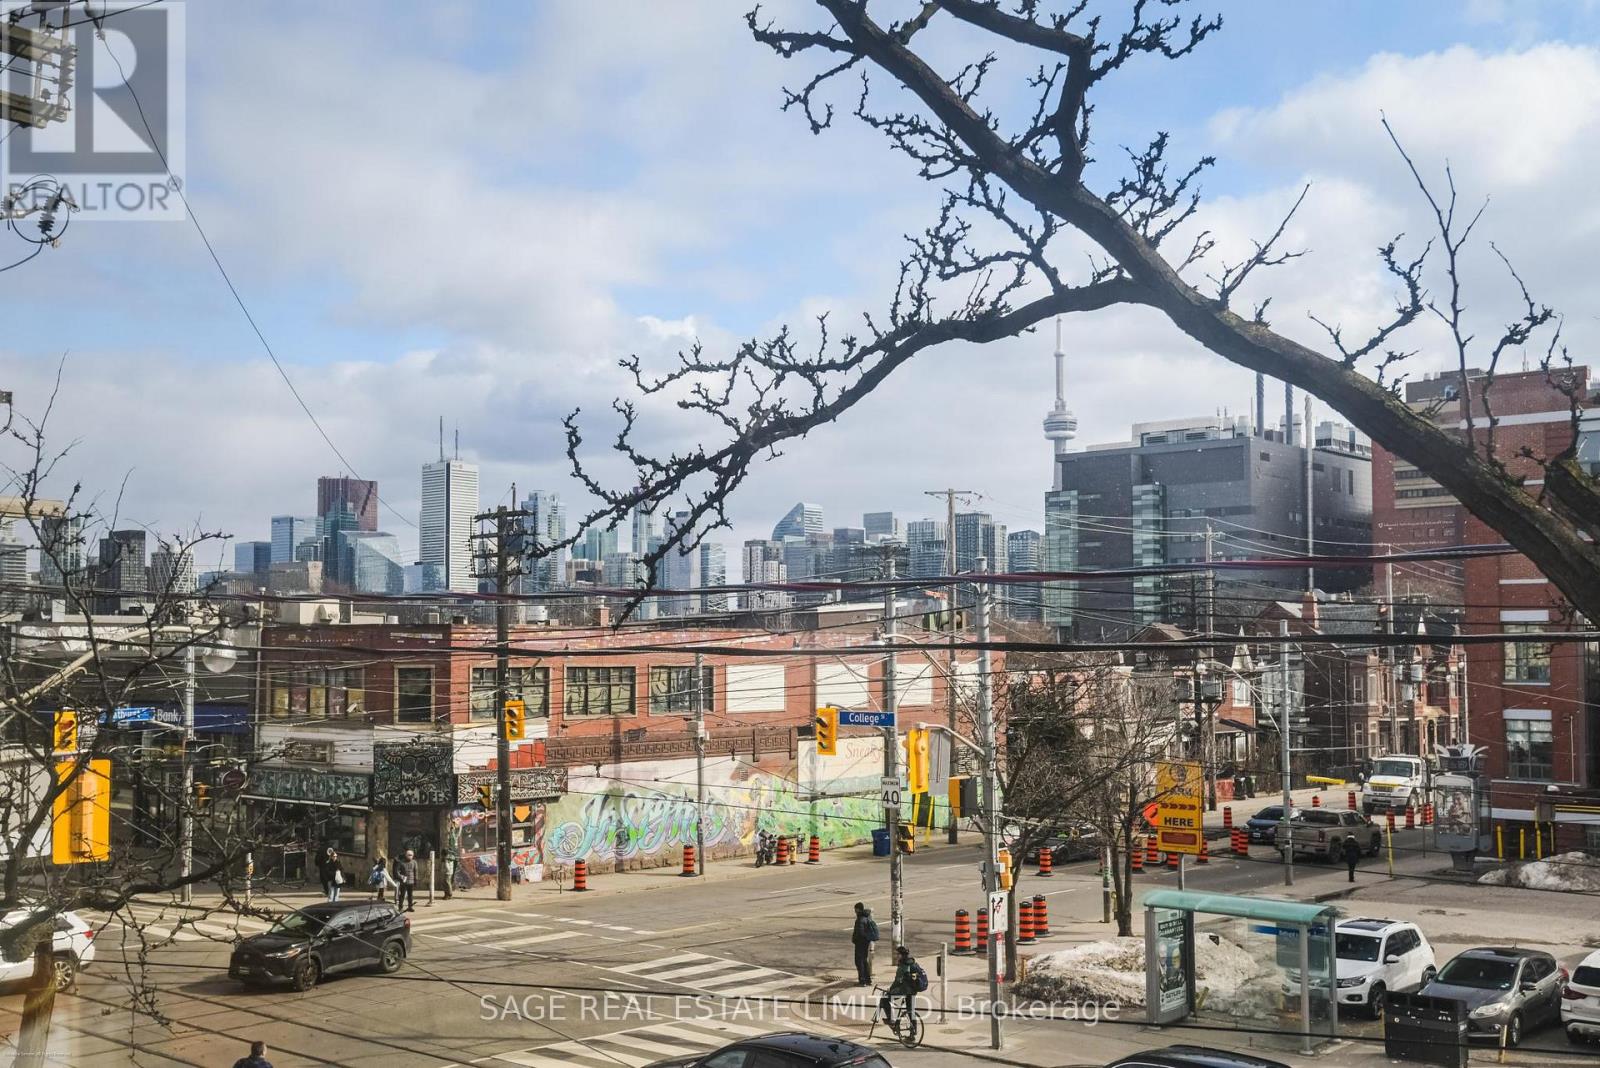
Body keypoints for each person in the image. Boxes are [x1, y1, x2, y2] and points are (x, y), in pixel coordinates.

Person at [879, 946, 920, 1026]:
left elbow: (898, 981)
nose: (896, 956)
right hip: (913, 989)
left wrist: (891, 989)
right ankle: (914, 1031)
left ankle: (891, 1020)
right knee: (910, 1010)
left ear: (902, 955)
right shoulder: (911, 962)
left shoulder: (903, 965)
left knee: (884, 999)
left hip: (905, 989)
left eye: (898, 954)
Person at [850, 901, 879, 986]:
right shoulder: (866, 917)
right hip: (865, 942)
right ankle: (867, 980)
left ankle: (862, 981)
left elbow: (860, 932)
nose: (855, 911)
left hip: (860, 943)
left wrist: (855, 940)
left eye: (855, 909)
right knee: (864, 961)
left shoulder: (860, 919)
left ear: (858, 909)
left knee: (859, 962)